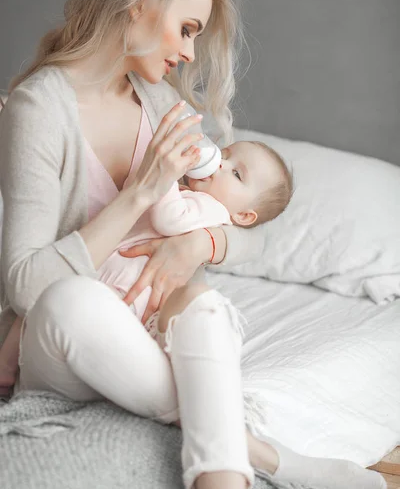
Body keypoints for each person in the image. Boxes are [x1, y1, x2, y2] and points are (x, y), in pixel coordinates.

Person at [0, 0, 386, 489]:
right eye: (187, 29)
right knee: (71, 301)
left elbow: (253, 240)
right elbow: (27, 286)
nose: (188, 52)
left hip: (142, 328)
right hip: (64, 338)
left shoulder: (159, 104)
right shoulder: (40, 107)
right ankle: (258, 451)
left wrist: (201, 243)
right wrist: (140, 194)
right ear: (139, 4)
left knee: (203, 306)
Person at [0, 137, 293, 383]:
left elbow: (170, 219)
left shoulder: (214, 211)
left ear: (243, 216)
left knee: (85, 328)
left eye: (237, 174)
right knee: (40, 308)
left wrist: (162, 177)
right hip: (106, 271)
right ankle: (8, 371)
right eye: (225, 154)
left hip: (130, 287)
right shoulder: (188, 192)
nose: (221, 164)